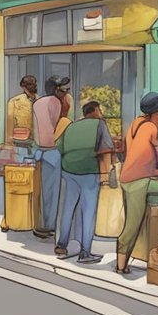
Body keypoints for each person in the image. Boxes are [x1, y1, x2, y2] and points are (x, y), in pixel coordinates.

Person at [55, 100, 115, 264]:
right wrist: (105, 174)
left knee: (68, 207)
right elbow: (106, 148)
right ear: (96, 110)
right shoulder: (100, 124)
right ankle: (85, 252)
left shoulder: (72, 126)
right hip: (89, 171)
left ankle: (61, 245)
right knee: (88, 212)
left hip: (68, 170)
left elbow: (59, 147)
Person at [116, 92, 158, 275]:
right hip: (138, 179)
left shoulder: (135, 124)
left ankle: (134, 258)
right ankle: (121, 265)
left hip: (127, 176)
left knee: (137, 218)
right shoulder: (152, 128)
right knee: (132, 224)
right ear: (157, 114)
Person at [32, 75, 72, 240]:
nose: (65, 92)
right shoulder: (55, 102)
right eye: (63, 89)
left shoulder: (37, 103)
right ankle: (48, 225)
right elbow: (57, 126)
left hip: (38, 151)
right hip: (52, 150)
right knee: (53, 192)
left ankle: (39, 223)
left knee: (40, 190)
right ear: (55, 90)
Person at [6, 74, 38, 161]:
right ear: (23, 86)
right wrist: (9, 143)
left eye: (34, 84)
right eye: (29, 84)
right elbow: (9, 123)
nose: (32, 86)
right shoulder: (14, 101)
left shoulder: (41, 100)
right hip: (20, 143)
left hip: (37, 144)